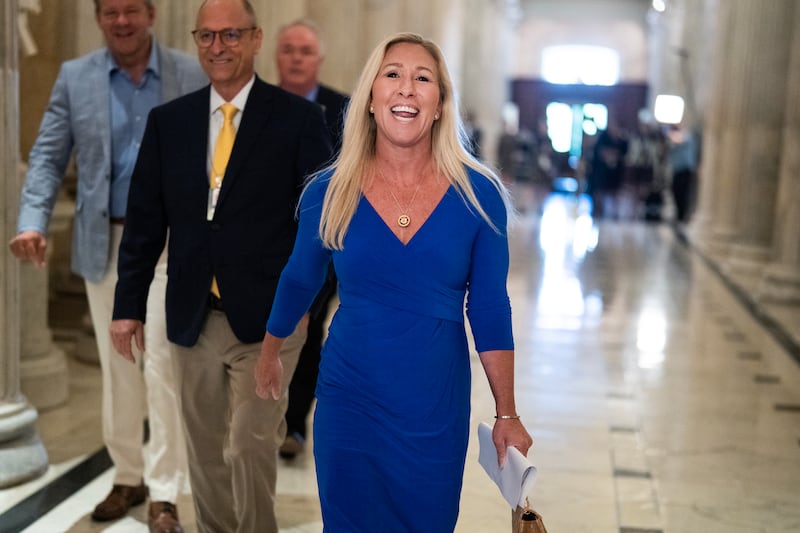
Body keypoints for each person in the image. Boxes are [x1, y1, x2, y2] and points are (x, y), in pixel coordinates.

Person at [255, 32, 532, 531]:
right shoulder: (329, 191)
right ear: (370, 98)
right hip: (349, 396)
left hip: (434, 401)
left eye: (422, 78)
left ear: (440, 104)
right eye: (392, 75)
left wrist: (507, 414)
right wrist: (271, 350)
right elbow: (299, 278)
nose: (406, 88)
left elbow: (490, 308)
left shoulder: (479, 195)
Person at [109, 1, 332, 531]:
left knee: (250, 443)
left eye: (231, 35)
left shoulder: (299, 120)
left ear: (256, 39)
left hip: (270, 321)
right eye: (207, 36)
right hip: (192, 314)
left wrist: (306, 307)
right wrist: (127, 306)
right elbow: (144, 225)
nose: (218, 47)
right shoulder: (170, 123)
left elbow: (321, 227)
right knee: (205, 450)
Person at [9, 1, 206, 530]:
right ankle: (127, 474)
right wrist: (32, 220)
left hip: (170, 246)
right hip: (106, 242)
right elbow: (48, 155)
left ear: (151, 14)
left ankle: (164, 490)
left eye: (131, 10)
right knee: (117, 365)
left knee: (162, 363)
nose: (122, 21)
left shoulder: (190, 74)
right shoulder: (76, 78)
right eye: (110, 11)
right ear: (99, 18)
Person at [273, 18, 350, 460]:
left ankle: (294, 424)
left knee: (307, 327)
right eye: (289, 50)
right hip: (266, 240)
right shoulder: (261, 105)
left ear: (319, 59)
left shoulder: (343, 111)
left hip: (324, 240)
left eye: (305, 51)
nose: (297, 59)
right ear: (276, 57)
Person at [667, 123, 699, 223]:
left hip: (685, 170)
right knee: (675, 192)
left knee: (683, 194)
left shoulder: (687, 135)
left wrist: (671, 137)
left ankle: (682, 217)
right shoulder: (675, 139)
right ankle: (678, 215)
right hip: (676, 170)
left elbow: (679, 140)